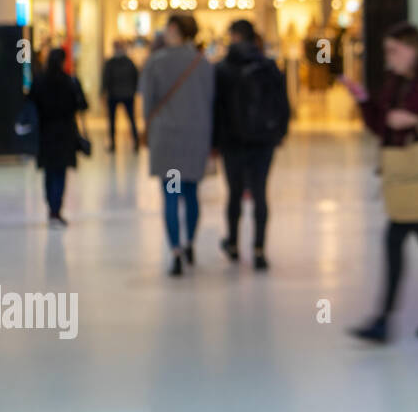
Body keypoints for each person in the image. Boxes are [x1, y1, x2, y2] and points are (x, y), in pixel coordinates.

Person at [343, 22, 418, 342]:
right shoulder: (395, 85)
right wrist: (364, 101)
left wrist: (417, 121)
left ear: (413, 50)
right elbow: (381, 128)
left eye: (394, 51)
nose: (390, 57)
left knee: (396, 239)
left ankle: (384, 319)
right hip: (407, 177)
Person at [140, 15, 214, 277]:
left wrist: (147, 129)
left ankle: (175, 251)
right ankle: (190, 243)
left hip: (167, 140)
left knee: (171, 195)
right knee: (192, 194)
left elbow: (148, 102)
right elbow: (211, 101)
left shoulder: (157, 62)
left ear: (173, 30)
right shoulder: (203, 63)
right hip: (196, 138)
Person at [213, 18, 289, 270]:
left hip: (232, 142)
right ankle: (259, 250)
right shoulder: (269, 66)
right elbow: (283, 104)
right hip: (263, 141)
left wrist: (215, 141)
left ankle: (233, 244)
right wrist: (279, 133)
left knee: (234, 193)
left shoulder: (222, 69)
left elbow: (216, 109)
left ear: (234, 37)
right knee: (260, 193)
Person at [28, 48, 88, 227]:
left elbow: (30, 102)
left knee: (49, 171)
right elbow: (83, 104)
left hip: (45, 132)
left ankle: (51, 207)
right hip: (65, 132)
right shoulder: (70, 81)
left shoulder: (39, 81)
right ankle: (56, 210)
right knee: (60, 172)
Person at [101, 40, 140, 152]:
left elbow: (135, 77)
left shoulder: (127, 62)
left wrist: (134, 90)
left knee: (130, 119)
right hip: (117, 94)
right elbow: (106, 78)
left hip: (124, 94)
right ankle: (114, 143)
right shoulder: (116, 62)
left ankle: (135, 141)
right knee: (114, 120)